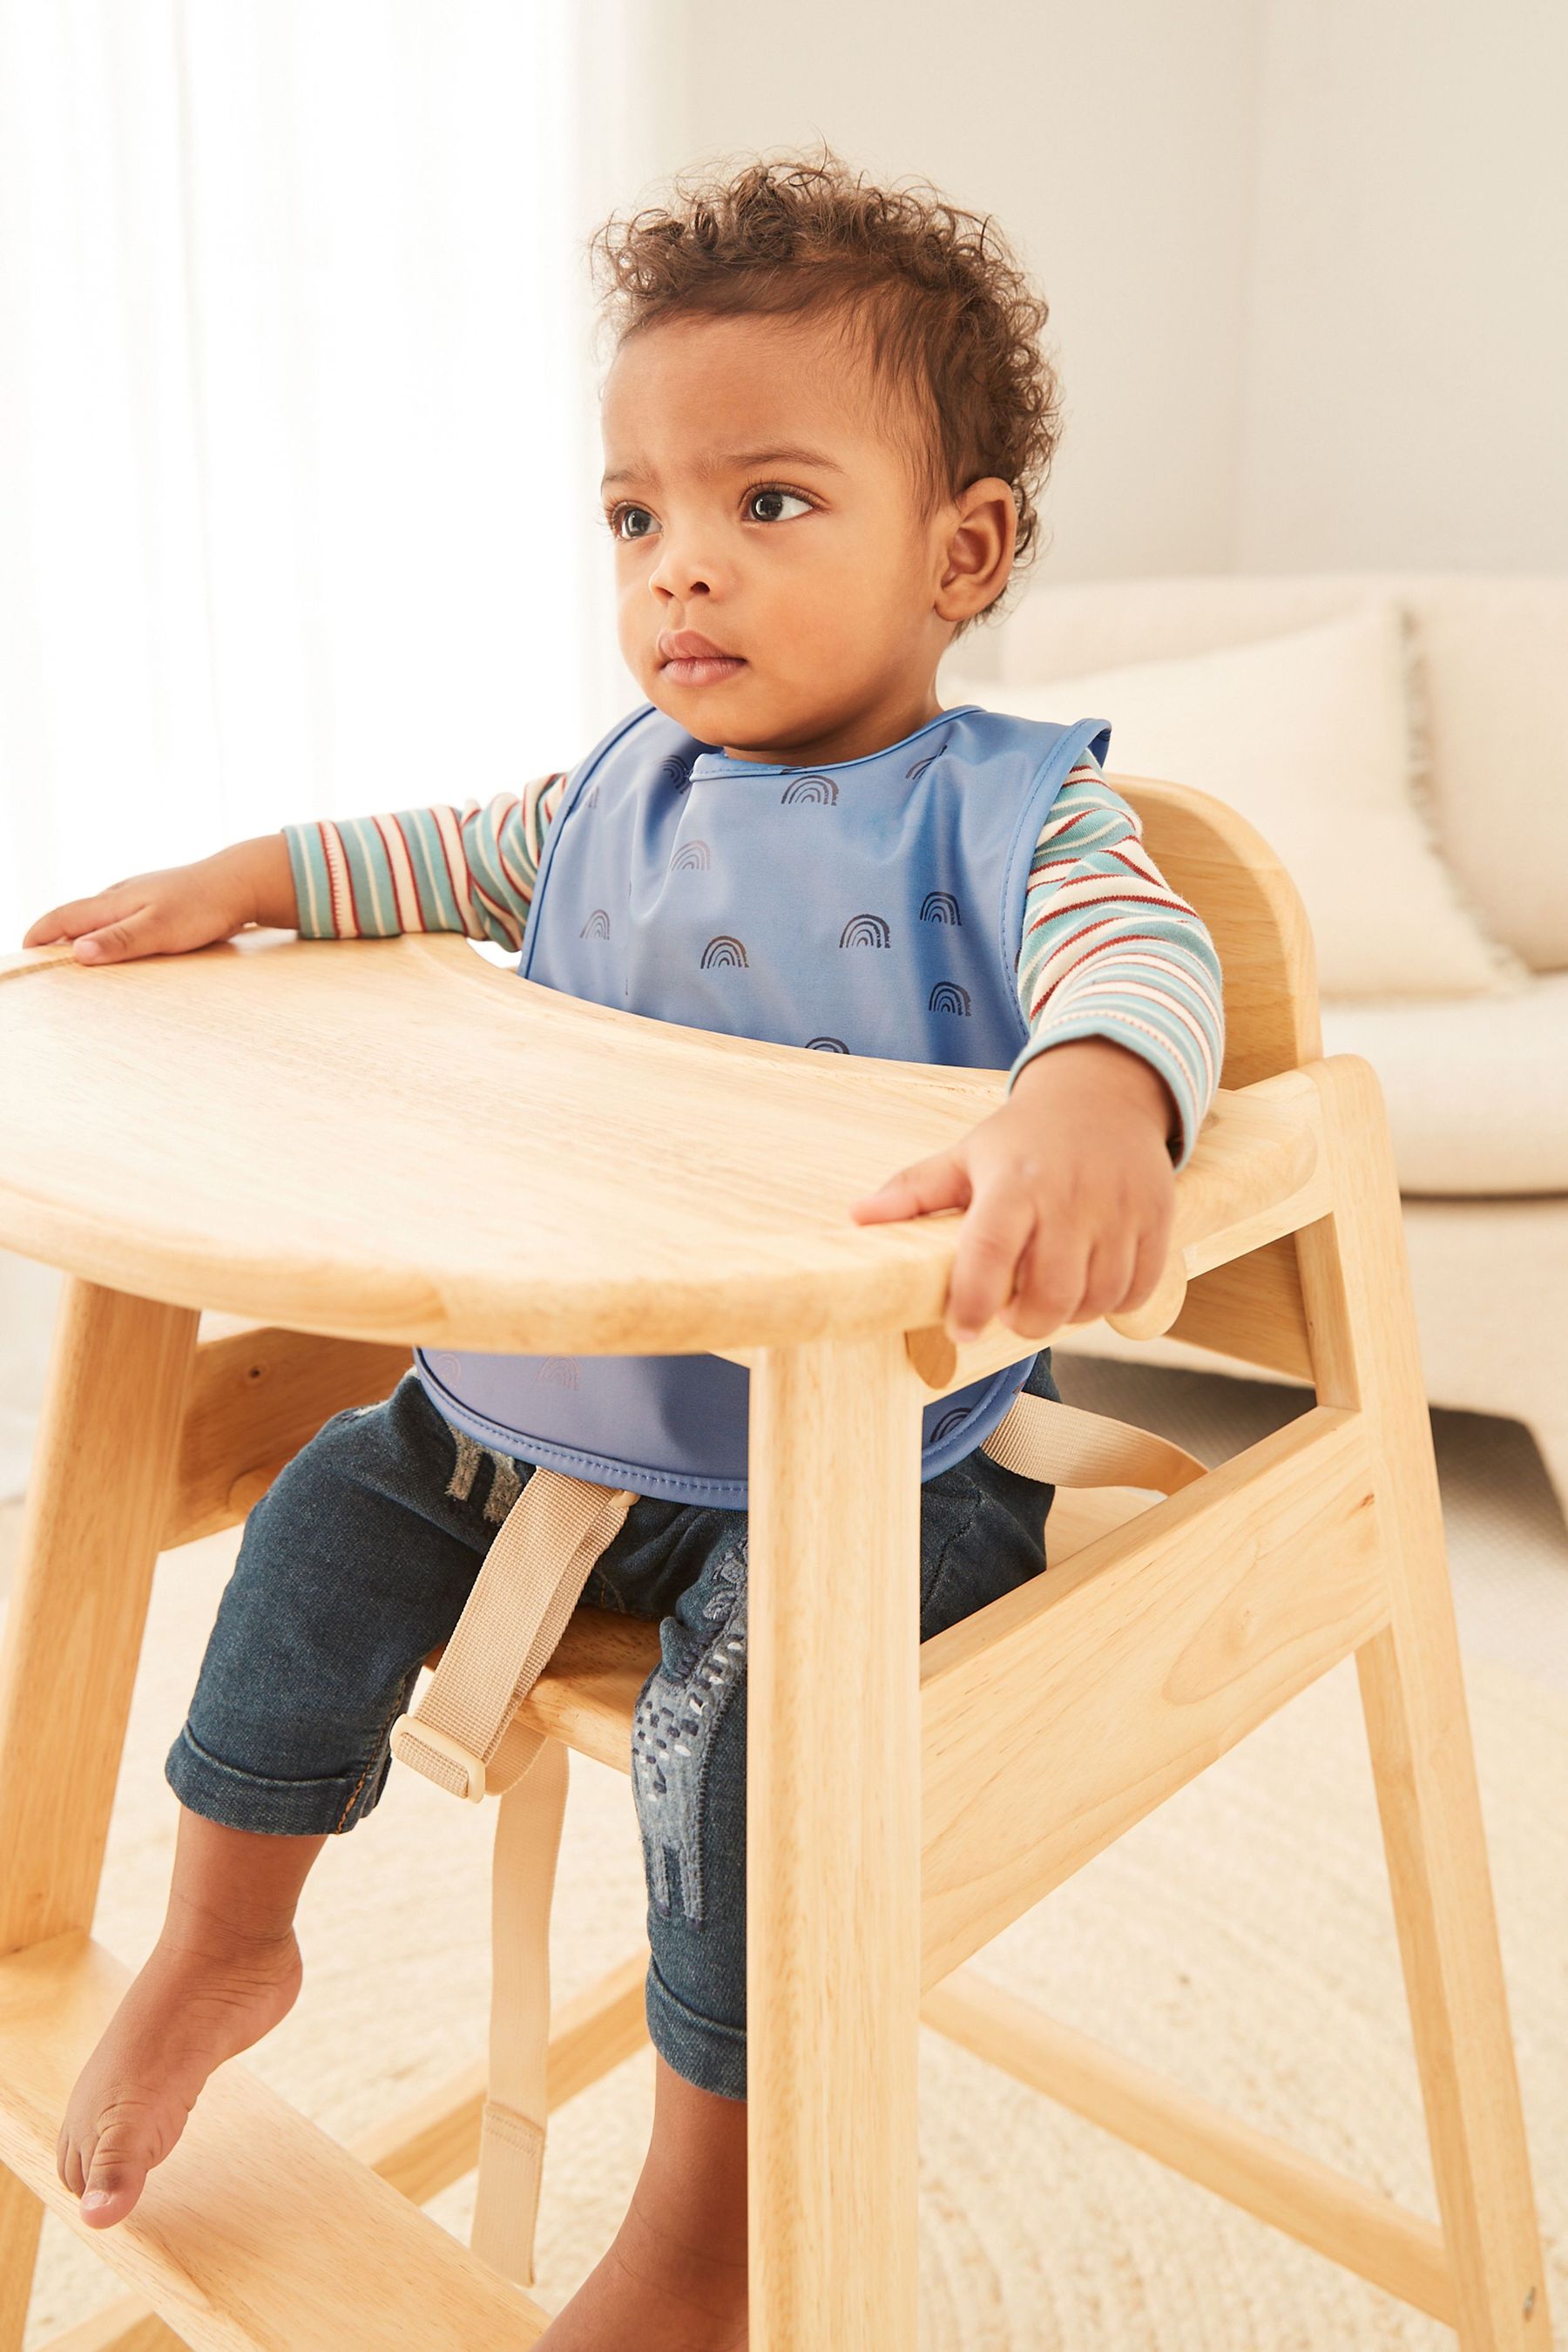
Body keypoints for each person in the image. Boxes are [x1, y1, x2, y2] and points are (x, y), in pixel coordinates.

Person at [27, 151, 1222, 2349]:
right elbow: (439, 853)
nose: (683, 570)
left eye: (768, 502)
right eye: (635, 517)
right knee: (315, 1516)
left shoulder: (1020, 813)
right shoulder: (612, 795)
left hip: (859, 1466)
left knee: (731, 1742)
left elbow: (1141, 957)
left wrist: (1092, 1092)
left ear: (961, 551)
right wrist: (251, 875)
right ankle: (224, 1931)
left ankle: (703, 2214)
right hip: (532, 1424)